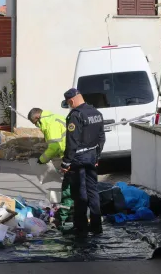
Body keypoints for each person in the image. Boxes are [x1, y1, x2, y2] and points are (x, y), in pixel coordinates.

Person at [61, 88, 105, 237]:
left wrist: (66, 163)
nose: (69, 106)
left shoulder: (75, 116)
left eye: (68, 103)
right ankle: (96, 226)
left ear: (71, 101)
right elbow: (101, 138)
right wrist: (97, 157)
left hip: (79, 159)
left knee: (80, 194)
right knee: (93, 192)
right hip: (92, 157)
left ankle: (81, 228)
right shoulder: (96, 113)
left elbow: (72, 142)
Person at [27, 108, 73, 227]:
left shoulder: (49, 123)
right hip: (72, 154)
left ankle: (66, 218)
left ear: (37, 118)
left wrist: (41, 160)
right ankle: (71, 213)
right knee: (73, 186)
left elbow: (54, 147)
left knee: (68, 188)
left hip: (70, 156)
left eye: (35, 123)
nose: (37, 126)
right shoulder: (54, 117)